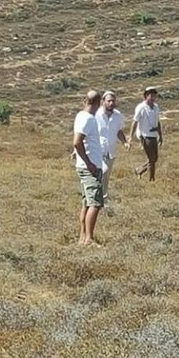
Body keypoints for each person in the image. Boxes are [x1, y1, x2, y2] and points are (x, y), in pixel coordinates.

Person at [73, 90, 104, 245]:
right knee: (95, 203)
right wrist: (89, 163)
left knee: (86, 203)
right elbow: (77, 142)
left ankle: (82, 237)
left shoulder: (80, 116)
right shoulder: (89, 119)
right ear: (99, 103)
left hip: (86, 166)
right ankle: (89, 239)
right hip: (90, 167)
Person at [96, 90, 131, 207]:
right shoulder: (96, 115)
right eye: (109, 101)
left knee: (105, 177)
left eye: (113, 101)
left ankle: (101, 200)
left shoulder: (117, 115)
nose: (111, 103)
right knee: (103, 172)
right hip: (97, 150)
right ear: (103, 101)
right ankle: (98, 199)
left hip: (111, 151)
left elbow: (119, 131)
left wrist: (125, 142)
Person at [130, 86, 163, 181]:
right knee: (151, 158)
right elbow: (135, 122)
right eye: (151, 96)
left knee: (154, 158)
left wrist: (160, 136)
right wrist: (131, 136)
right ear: (146, 96)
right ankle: (151, 178)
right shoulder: (141, 107)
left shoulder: (156, 107)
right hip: (144, 135)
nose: (153, 98)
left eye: (154, 96)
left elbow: (158, 122)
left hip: (153, 135)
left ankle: (139, 170)